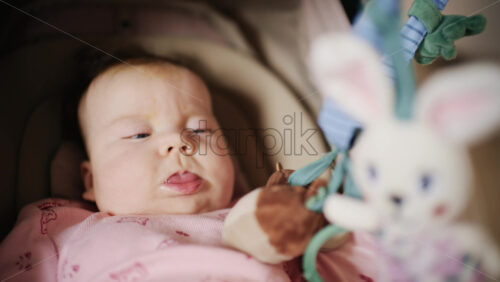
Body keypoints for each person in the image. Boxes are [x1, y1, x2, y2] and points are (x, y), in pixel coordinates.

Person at [0, 57, 376, 282]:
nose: (179, 143)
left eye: (199, 129)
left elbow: (347, 262)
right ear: (90, 180)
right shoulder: (58, 225)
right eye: (138, 134)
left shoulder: (267, 213)